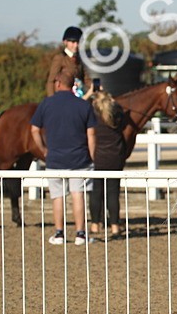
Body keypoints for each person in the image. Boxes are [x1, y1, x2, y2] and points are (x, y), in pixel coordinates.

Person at [31, 69, 97, 245]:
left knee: (57, 196)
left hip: (55, 159)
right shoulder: (83, 105)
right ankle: (80, 234)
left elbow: (34, 130)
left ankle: (59, 233)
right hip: (80, 159)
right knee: (78, 195)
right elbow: (91, 135)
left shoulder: (46, 104)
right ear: (73, 85)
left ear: (58, 84)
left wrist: (44, 149)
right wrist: (92, 156)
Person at [87, 88, 128, 238]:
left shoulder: (93, 115)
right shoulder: (116, 115)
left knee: (96, 193)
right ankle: (115, 226)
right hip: (115, 158)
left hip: (98, 158)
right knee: (113, 193)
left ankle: (95, 224)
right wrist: (113, 101)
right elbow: (122, 115)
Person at [47, 25, 88, 99]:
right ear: (65, 42)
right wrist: (52, 100)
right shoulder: (60, 58)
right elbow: (51, 81)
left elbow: (86, 79)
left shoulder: (80, 59)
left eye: (78, 42)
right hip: (62, 97)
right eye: (73, 42)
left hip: (78, 96)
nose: (76, 45)